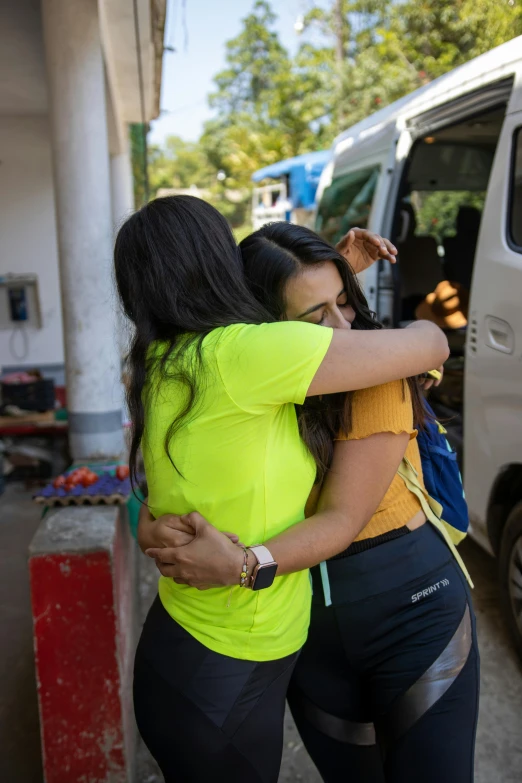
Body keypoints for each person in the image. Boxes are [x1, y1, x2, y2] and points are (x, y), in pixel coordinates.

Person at [114, 196, 449, 783]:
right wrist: (424, 317)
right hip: (227, 675)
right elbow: (431, 348)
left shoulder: (159, 360)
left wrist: (331, 279)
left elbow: (156, 482)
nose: (337, 320)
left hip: (184, 660)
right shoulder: (245, 353)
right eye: (319, 315)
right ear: (219, 263)